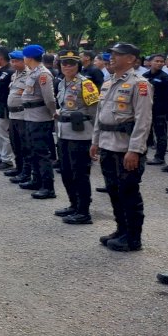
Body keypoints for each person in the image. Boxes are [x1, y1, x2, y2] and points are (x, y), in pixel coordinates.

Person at [90, 42, 153, 252]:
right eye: (112, 54)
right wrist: (95, 141)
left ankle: (133, 238)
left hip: (126, 147)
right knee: (113, 190)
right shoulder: (108, 83)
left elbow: (143, 120)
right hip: (108, 144)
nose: (112, 57)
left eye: (118, 54)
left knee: (128, 191)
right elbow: (100, 116)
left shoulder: (139, 84)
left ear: (132, 59)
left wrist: (135, 149)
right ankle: (121, 229)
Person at [54, 50, 100, 224]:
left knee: (80, 173)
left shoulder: (86, 84)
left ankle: (83, 211)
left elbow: (96, 112)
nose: (67, 66)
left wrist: (97, 139)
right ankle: (74, 205)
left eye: (71, 63)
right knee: (66, 171)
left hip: (81, 135)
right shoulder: (61, 83)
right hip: (64, 132)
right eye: (64, 63)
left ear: (78, 66)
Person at [20, 44, 58, 199]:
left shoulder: (43, 74)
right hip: (30, 116)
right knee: (33, 150)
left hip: (40, 117)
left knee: (42, 152)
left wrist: (52, 114)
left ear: (29, 57)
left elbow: (49, 99)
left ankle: (48, 187)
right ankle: (36, 180)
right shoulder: (33, 72)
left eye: (24, 56)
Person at [143, 53, 168, 166]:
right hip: (146, 109)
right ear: (150, 62)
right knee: (145, 132)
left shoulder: (165, 78)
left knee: (160, 133)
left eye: (161, 61)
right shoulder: (145, 76)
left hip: (160, 110)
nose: (160, 63)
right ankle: (142, 154)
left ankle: (159, 157)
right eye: (157, 61)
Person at [6, 50, 31, 183]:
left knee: (24, 145)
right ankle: (19, 167)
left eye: (16, 61)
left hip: (22, 115)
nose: (13, 63)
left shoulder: (28, 75)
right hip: (13, 114)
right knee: (15, 143)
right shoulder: (15, 75)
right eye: (12, 61)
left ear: (23, 61)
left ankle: (26, 172)